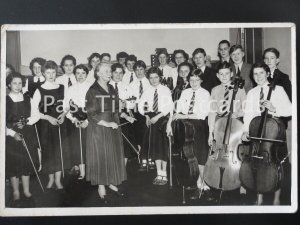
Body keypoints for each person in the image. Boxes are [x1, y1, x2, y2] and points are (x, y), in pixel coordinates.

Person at [241, 62, 292, 205]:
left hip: (274, 132)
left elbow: (290, 110)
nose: (258, 76)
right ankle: (259, 198)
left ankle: (276, 199)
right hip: (257, 130)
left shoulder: (278, 89)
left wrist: (274, 108)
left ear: (268, 74)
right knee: (257, 163)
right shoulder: (252, 92)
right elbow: (248, 114)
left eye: (261, 73)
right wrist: (245, 130)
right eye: (255, 74)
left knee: (276, 164)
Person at [85, 63, 126, 202]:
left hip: (113, 126)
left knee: (111, 155)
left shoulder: (111, 88)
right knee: (101, 156)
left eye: (110, 71)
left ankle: (111, 182)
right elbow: (91, 114)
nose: (110, 73)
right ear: (98, 73)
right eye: (107, 71)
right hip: (99, 128)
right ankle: (101, 186)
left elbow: (114, 108)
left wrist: (121, 108)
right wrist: (107, 124)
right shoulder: (92, 90)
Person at [167, 68, 210, 199]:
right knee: (189, 155)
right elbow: (176, 111)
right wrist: (169, 124)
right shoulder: (185, 92)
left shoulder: (205, 93)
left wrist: (183, 115)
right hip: (185, 127)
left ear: (201, 80)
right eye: (191, 80)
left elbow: (201, 114)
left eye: (197, 80)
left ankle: (204, 185)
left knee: (200, 156)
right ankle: (194, 181)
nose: (194, 82)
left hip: (199, 126)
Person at [208, 61, 247, 200]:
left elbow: (245, 107)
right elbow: (212, 112)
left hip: (235, 124)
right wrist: (210, 132)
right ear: (218, 76)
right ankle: (218, 180)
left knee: (236, 154)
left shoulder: (240, 89)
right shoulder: (215, 90)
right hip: (219, 124)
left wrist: (238, 114)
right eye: (221, 74)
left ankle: (241, 183)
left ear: (231, 74)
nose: (224, 76)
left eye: (227, 74)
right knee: (219, 153)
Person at [32, 60, 70, 190]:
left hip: (59, 124)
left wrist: (64, 115)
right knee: (48, 151)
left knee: (59, 151)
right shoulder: (39, 90)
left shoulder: (62, 88)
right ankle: (50, 179)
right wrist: (48, 117)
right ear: (43, 73)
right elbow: (34, 111)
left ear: (56, 73)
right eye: (48, 72)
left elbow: (66, 106)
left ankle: (58, 180)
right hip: (46, 125)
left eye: (53, 72)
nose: (51, 75)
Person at [6, 72, 40, 207]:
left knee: (26, 162)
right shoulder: (5, 100)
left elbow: (36, 115)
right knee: (13, 164)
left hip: (27, 133)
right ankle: (15, 191)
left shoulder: (27, 99)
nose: (17, 85)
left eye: (20, 83)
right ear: (9, 84)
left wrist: (27, 121)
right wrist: (11, 133)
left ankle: (26, 190)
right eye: (14, 83)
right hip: (11, 136)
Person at [138, 67, 173, 185]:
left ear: (160, 77)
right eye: (151, 78)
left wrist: (157, 117)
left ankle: (165, 174)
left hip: (162, 118)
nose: (153, 80)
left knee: (163, 147)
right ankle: (159, 173)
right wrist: (146, 115)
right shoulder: (147, 91)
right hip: (152, 119)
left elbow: (169, 106)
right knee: (155, 148)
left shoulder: (165, 90)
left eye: (156, 77)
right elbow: (142, 105)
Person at [64, 64, 91, 179]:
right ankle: (82, 172)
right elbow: (66, 106)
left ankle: (91, 172)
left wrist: (88, 121)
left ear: (87, 74)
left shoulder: (92, 87)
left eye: (83, 73)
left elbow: (97, 107)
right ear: (74, 74)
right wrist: (73, 118)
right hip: (75, 119)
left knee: (89, 145)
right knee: (78, 145)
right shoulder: (70, 89)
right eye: (78, 73)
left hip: (90, 120)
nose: (80, 76)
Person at [109, 63, 137, 165]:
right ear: (111, 73)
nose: (118, 75)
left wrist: (127, 104)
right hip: (109, 116)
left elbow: (133, 104)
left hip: (124, 117)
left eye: (121, 73)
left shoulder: (127, 87)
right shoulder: (105, 86)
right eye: (115, 72)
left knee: (124, 143)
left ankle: (122, 168)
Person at [129, 60, 152, 170]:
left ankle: (150, 157)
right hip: (136, 111)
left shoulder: (149, 82)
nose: (139, 72)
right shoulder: (131, 84)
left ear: (145, 70)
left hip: (148, 110)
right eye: (136, 70)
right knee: (139, 135)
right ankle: (142, 158)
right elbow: (130, 100)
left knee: (148, 133)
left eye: (141, 69)